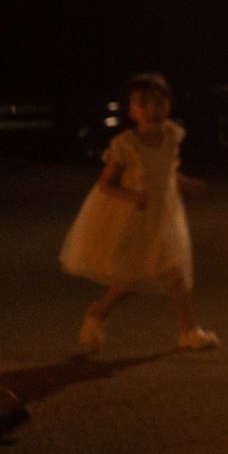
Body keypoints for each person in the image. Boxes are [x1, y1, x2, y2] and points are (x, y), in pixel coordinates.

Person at [62, 72, 218, 354]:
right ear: (130, 111)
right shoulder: (125, 144)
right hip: (136, 220)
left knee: (175, 273)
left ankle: (189, 331)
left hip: (165, 216)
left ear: (168, 104)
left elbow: (167, 173)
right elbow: (106, 184)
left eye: (159, 102)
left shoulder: (171, 135)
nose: (152, 109)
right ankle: (97, 315)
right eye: (143, 104)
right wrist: (133, 196)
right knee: (130, 282)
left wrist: (187, 183)